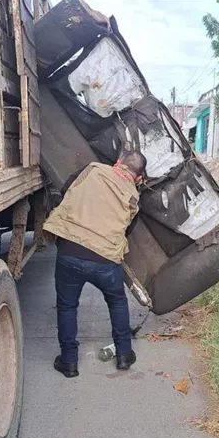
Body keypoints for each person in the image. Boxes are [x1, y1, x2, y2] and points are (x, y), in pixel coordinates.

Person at [43, 152, 147, 378]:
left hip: (70, 251)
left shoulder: (92, 169)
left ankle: (69, 362)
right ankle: (124, 355)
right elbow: (127, 229)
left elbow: (66, 191)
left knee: (67, 306)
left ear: (118, 163)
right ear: (138, 179)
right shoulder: (133, 198)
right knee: (117, 302)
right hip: (105, 261)